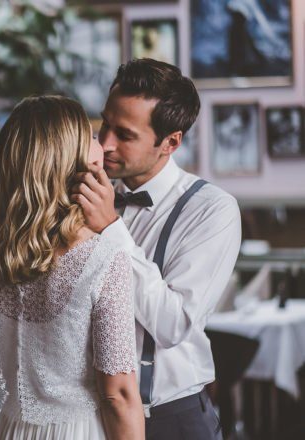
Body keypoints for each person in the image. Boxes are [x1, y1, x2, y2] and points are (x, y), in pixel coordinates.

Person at [71, 58, 242, 440]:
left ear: (171, 142)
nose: (105, 143)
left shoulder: (212, 210)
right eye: (105, 124)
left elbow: (173, 325)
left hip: (170, 419)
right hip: (90, 417)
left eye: (125, 135)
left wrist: (111, 230)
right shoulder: (83, 194)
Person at [0, 95, 144, 440]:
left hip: (11, 430)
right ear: (72, 158)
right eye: (92, 137)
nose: (102, 145)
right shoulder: (103, 256)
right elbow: (119, 396)